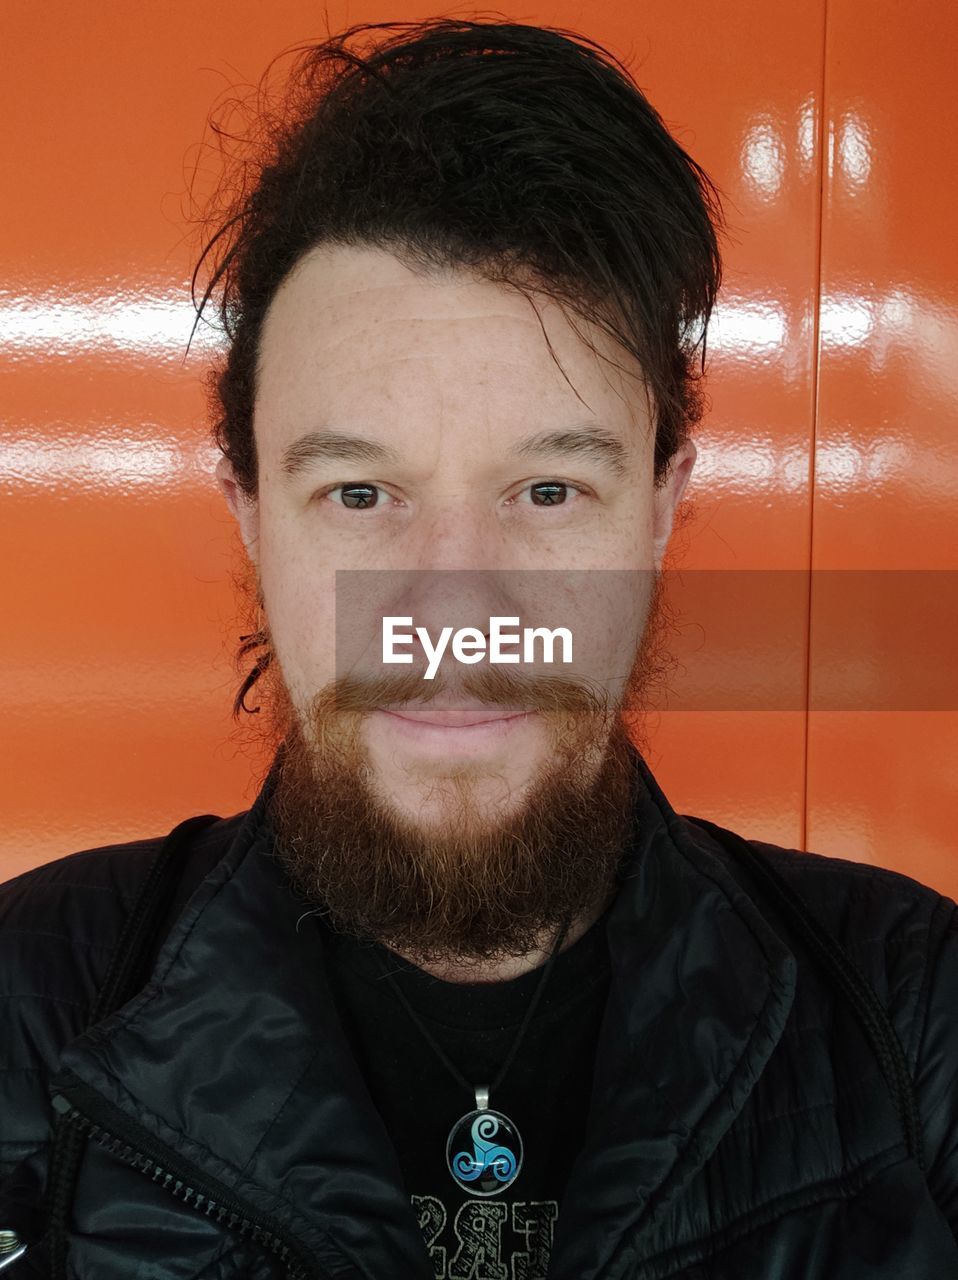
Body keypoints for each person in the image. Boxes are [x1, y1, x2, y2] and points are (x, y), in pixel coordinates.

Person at [1, 17, 956, 1280]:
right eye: (357, 494)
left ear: (662, 504)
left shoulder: (913, 1013)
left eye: (549, 491)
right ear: (249, 512)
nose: (452, 607)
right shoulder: (26, 1007)